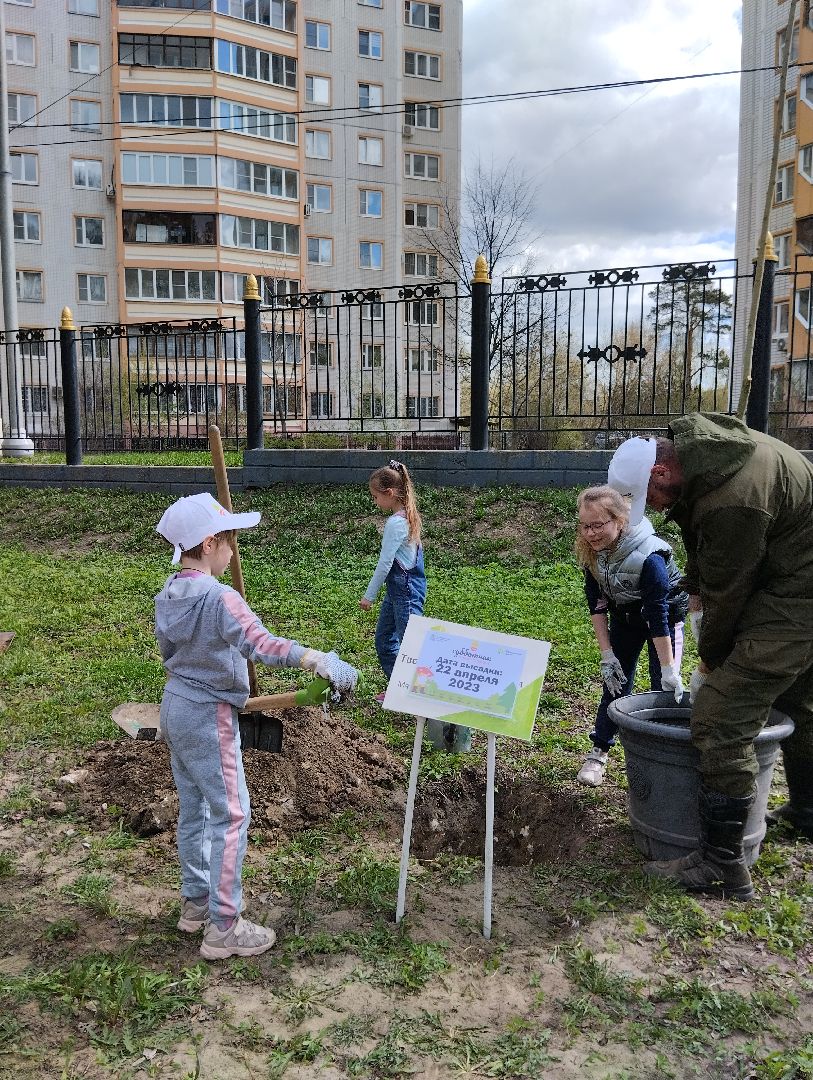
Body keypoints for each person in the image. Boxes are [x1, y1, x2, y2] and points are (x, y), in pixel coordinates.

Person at [607, 414, 813, 900]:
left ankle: (724, 863)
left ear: (659, 473)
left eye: (648, 499)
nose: (652, 509)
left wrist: (709, 662)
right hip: (789, 574)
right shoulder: (705, 457)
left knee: (721, 714)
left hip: (797, 595)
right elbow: (704, 541)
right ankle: (808, 812)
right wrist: (693, 587)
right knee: (801, 698)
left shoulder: (733, 497)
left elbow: (730, 592)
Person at [155, 492, 358, 960]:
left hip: (175, 707)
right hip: (209, 715)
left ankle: (196, 903)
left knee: (195, 809)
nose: (233, 550)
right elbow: (259, 643)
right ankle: (224, 926)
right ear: (209, 543)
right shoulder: (221, 597)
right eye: (229, 541)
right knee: (232, 814)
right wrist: (316, 659)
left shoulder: (167, 595)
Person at [575, 484, 687, 787]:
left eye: (598, 525)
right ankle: (599, 751)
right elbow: (596, 605)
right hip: (625, 619)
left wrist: (668, 669)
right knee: (615, 684)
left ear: (619, 520)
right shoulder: (594, 555)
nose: (591, 533)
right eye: (585, 526)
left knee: (662, 692)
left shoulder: (650, 556)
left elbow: (658, 614)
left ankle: (665, 759)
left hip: (663, 620)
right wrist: (607, 655)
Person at [359, 460, 426, 703]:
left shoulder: (397, 522)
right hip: (397, 591)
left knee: (410, 646)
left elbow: (385, 563)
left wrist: (369, 596)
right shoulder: (406, 516)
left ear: (389, 493)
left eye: (375, 497)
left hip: (406, 592)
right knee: (384, 640)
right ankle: (400, 689)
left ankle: (417, 695)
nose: (374, 502)